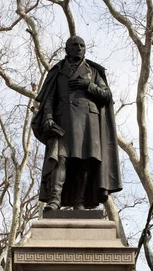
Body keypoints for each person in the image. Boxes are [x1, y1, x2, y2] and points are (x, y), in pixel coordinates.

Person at [31, 36, 122, 210]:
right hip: (63, 122)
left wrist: (88, 85)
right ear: (67, 49)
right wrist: (48, 117)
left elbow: (107, 95)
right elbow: (49, 99)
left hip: (89, 123)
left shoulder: (93, 71)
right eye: (75, 46)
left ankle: (79, 202)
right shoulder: (57, 71)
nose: (79, 48)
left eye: (82, 45)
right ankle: (54, 200)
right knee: (59, 159)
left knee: (84, 162)